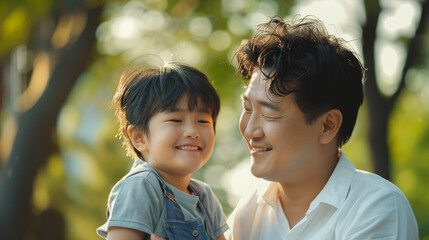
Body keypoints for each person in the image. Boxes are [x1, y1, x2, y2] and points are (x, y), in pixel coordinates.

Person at [226, 16, 419, 239]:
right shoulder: (248, 212)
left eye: (269, 113)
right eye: (247, 108)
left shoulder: (376, 207)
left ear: (327, 126)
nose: (250, 131)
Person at [97, 62, 228, 240]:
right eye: (176, 120)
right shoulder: (141, 186)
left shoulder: (204, 197)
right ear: (139, 137)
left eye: (203, 121)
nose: (193, 132)